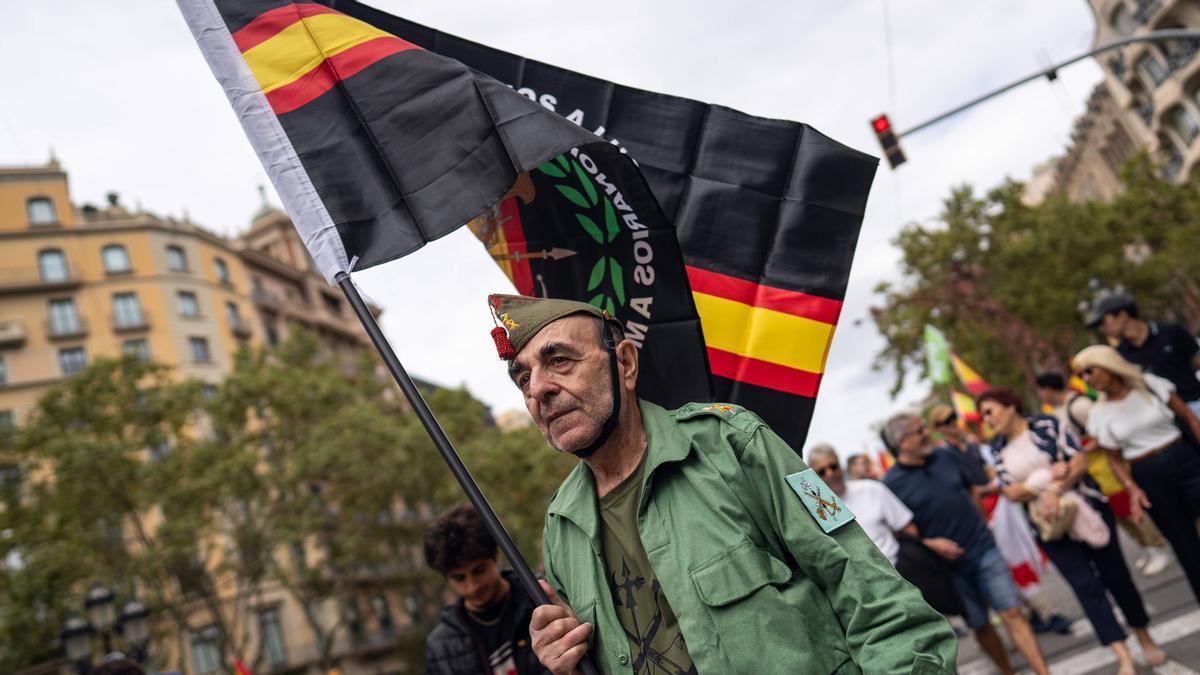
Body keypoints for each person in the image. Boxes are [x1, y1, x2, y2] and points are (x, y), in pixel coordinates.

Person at [486, 294, 957, 674]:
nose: (539, 389)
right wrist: (564, 662)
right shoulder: (560, 526)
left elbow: (869, 589)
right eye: (523, 379)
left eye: (561, 361)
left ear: (625, 364)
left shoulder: (733, 442)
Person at [977, 387, 1166, 675]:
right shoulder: (996, 448)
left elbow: (1078, 461)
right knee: (1086, 587)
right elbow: (1010, 491)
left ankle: (1144, 636)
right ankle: (1122, 653)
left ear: (1009, 405)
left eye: (989, 411)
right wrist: (1041, 484)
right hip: (1050, 528)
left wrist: (1055, 489)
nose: (987, 419)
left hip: (1088, 510)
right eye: (983, 416)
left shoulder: (1046, 425)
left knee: (1117, 577)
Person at [882, 412, 1049, 675]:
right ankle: (1008, 671)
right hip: (947, 568)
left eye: (925, 426)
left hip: (984, 549)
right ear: (902, 442)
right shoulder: (891, 484)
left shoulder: (947, 456)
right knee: (980, 624)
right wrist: (932, 544)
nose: (928, 433)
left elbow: (972, 489)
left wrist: (981, 524)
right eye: (920, 430)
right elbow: (901, 530)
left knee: (1013, 612)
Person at [1074, 344, 1200, 605]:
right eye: (1081, 375)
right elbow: (1114, 458)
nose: (1086, 379)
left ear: (1107, 365)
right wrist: (1132, 488)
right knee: (1184, 543)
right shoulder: (1099, 413)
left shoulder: (1150, 384)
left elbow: (1189, 417)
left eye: (1089, 370)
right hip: (1147, 473)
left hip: (1183, 457)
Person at [1035, 370, 1174, 576]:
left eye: (1039, 390)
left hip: (1107, 467)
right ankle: (1148, 547)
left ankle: (1158, 545)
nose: (1039, 395)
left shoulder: (1079, 406)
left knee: (1130, 507)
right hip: (1094, 473)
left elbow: (1106, 431)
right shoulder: (1059, 411)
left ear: (1047, 389)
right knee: (1119, 513)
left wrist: (1085, 449)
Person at [423, 504, 548, 675]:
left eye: (479, 570)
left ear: (496, 555)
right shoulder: (440, 646)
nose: (473, 586)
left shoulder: (542, 597)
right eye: (459, 578)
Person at [1087, 291, 1200, 417]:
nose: (1102, 329)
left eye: (1103, 322)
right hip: (1166, 420)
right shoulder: (1119, 356)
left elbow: (1197, 359)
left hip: (1196, 403)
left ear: (1122, 315)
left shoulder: (1171, 332)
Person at [806, 444, 912, 565]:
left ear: (840, 466)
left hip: (899, 565)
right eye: (822, 472)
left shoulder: (872, 489)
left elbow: (906, 526)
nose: (830, 473)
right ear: (815, 477)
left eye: (833, 466)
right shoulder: (817, 514)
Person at [928, 405, 992, 489]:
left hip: (998, 496)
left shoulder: (972, 444)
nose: (953, 422)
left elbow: (990, 468)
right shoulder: (943, 455)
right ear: (938, 428)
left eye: (953, 417)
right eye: (947, 421)